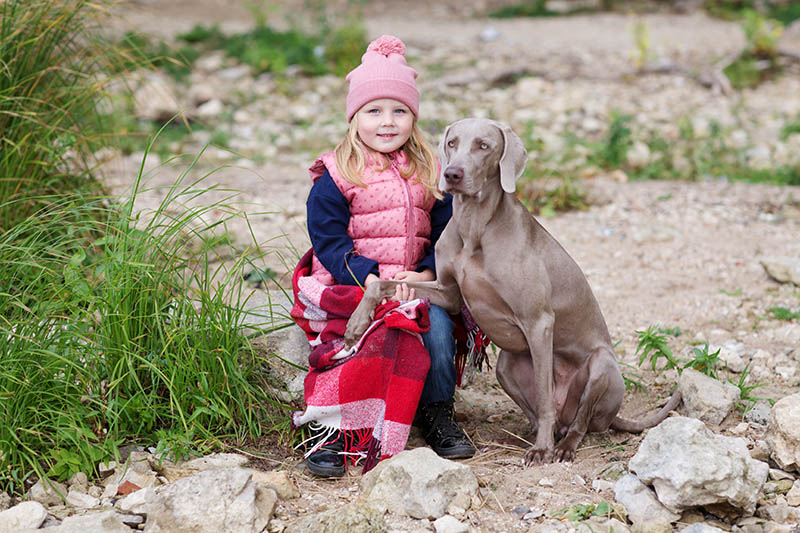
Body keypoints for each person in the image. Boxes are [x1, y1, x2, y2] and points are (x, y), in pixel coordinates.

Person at [298, 34, 475, 477]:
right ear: (354, 116)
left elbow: (445, 230)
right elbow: (328, 240)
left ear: (413, 117)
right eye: (373, 111)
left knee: (433, 330)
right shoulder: (337, 174)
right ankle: (335, 429)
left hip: (414, 281)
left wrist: (429, 271)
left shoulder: (430, 169)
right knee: (357, 342)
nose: (387, 121)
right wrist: (370, 277)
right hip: (353, 284)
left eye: (400, 111)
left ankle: (436, 412)